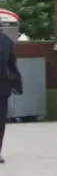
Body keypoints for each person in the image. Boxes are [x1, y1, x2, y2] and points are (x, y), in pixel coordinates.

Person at [0, 31, 23, 163]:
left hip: (2, 89)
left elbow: (11, 64)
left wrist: (16, 83)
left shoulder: (6, 41)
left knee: (0, 123)